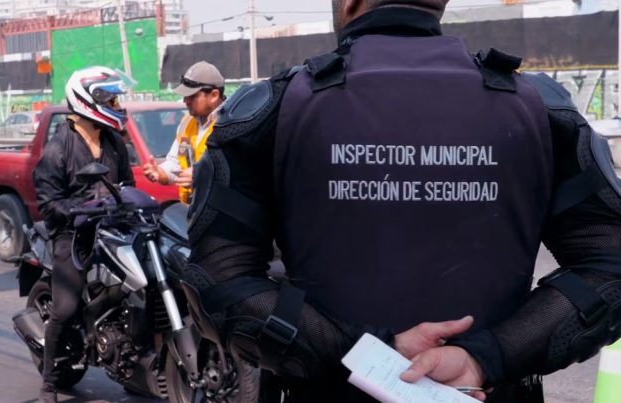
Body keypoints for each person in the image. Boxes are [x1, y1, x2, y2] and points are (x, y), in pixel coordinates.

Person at [182, 0, 621, 402]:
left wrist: (368, 354)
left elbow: (218, 280)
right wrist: (486, 357)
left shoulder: (274, 111)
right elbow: (609, 269)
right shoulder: (537, 108)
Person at [33, 66, 134, 403]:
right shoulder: (59, 148)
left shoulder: (114, 141)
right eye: (111, 99)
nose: (117, 105)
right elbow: (48, 203)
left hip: (112, 228)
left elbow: (127, 185)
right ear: (88, 102)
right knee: (65, 307)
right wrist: (80, 210)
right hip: (73, 235)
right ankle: (49, 382)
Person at [142, 61, 225, 203]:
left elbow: (241, 173)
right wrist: (160, 172)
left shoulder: (233, 124)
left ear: (214, 95)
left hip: (220, 211)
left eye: (192, 96)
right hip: (191, 209)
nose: (185, 101)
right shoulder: (186, 122)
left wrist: (202, 176)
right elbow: (176, 163)